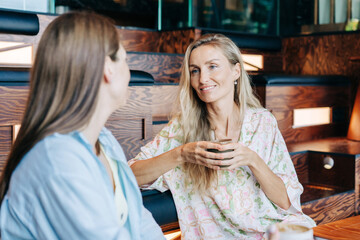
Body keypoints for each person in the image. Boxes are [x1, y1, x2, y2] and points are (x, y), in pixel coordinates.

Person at [129, 33, 316, 239]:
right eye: (195, 71)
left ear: (236, 71)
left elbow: (285, 201)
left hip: (276, 232)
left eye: (212, 66)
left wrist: (252, 159)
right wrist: (181, 154)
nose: (203, 79)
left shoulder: (262, 122)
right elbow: (131, 175)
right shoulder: (183, 130)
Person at [0, 11, 164, 240]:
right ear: (108, 68)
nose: (129, 72)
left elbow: (140, 221)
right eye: (125, 59)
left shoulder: (105, 142)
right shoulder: (57, 160)